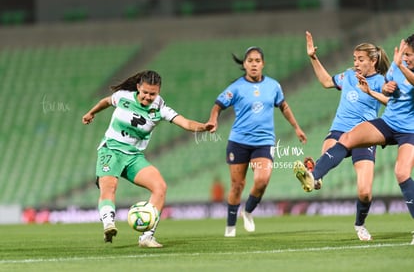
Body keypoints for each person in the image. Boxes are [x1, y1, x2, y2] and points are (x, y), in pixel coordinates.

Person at [294, 35, 414, 245]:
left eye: (360, 59)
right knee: (343, 139)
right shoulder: (352, 76)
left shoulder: (389, 72)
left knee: (375, 187)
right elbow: (325, 81)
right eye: (355, 58)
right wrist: (313, 57)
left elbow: (399, 93)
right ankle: (314, 176)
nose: (356, 63)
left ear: (373, 60)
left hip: (398, 131)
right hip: (363, 126)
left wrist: (380, 87)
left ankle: (360, 224)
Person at [82, 70, 213, 247]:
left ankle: (147, 237)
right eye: (145, 92)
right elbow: (105, 101)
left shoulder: (160, 107)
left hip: (134, 156)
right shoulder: (123, 97)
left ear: (158, 91)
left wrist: (204, 126)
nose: (148, 97)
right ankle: (109, 224)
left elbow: (186, 123)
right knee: (109, 186)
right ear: (138, 88)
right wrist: (91, 113)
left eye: (153, 94)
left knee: (160, 187)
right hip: (111, 149)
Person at [207, 46, 307, 237]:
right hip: (239, 142)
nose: (253, 64)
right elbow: (218, 105)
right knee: (237, 185)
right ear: (244, 64)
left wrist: (297, 127)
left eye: (257, 61)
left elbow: (284, 106)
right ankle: (230, 227)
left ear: (263, 64)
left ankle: (248, 211)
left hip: (264, 141)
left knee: (262, 180)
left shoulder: (273, 86)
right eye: (250, 61)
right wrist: (213, 119)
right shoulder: (236, 87)